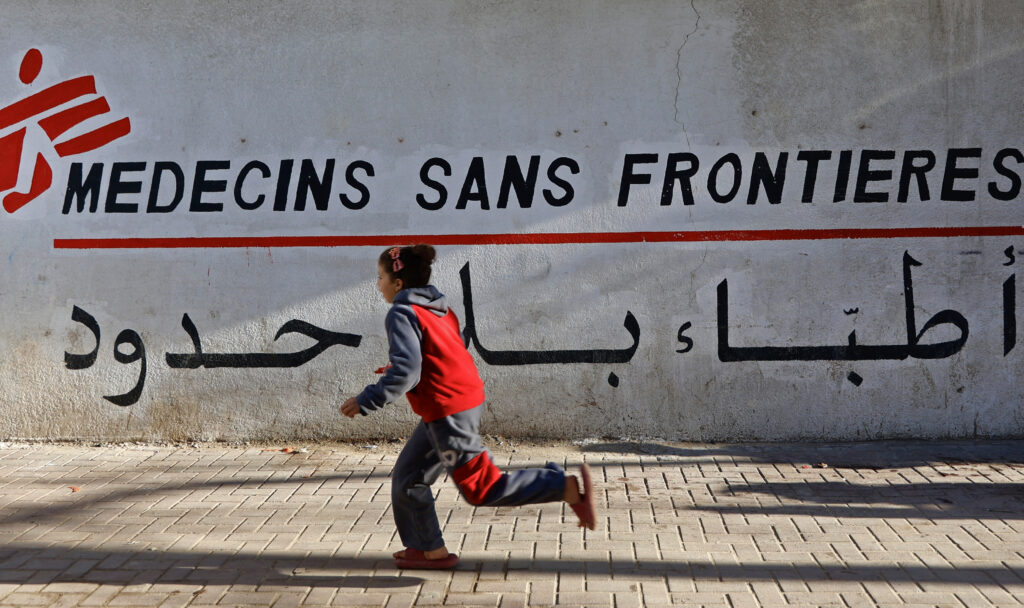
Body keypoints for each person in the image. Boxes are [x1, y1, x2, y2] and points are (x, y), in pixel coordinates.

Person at [339, 244, 596, 570]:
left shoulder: (401, 313)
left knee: (481, 489)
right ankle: (428, 548)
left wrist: (367, 400)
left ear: (398, 283)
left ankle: (563, 486)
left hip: (449, 409)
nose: (378, 285)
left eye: (380, 277)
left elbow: (408, 371)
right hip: (456, 401)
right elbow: (443, 353)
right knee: (409, 475)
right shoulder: (440, 309)